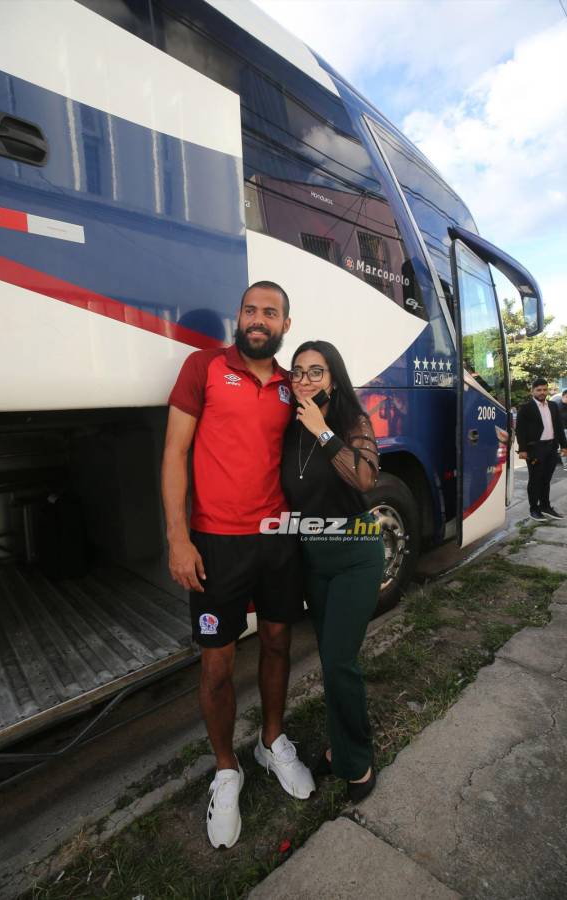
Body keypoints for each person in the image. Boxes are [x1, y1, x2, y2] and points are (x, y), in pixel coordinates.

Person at [161, 281, 315, 850]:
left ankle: (271, 742)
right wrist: (179, 538)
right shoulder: (203, 368)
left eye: (269, 312)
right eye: (250, 309)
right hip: (215, 545)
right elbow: (175, 452)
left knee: (277, 644)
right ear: (240, 316)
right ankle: (227, 768)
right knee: (217, 668)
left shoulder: (288, 387)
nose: (257, 319)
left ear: (284, 325)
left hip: (276, 541)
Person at [280, 340, 384, 802]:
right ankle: (337, 749)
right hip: (314, 559)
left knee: (341, 662)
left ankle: (357, 763)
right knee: (330, 663)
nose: (304, 380)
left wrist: (324, 431)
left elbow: (365, 479)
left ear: (333, 379)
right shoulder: (287, 427)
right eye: (298, 372)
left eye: (315, 372)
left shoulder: (349, 422)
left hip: (356, 554)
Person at [516, 377, 567, 520]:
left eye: (544, 389)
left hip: (551, 448)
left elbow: (558, 427)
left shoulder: (552, 406)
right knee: (535, 480)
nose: (542, 392)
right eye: (539, 390)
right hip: (535, 450)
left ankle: (545, 506)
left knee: (546, 479)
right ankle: (534, 508)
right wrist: (522, 450)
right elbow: (520, 430)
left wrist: (564, 446)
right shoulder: (526, 408)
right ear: (532, 391)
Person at [550, 389, 567, 471]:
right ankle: (565, 465)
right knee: (564, 447)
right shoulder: (557, 406)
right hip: (562, 430)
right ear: (563, 396)